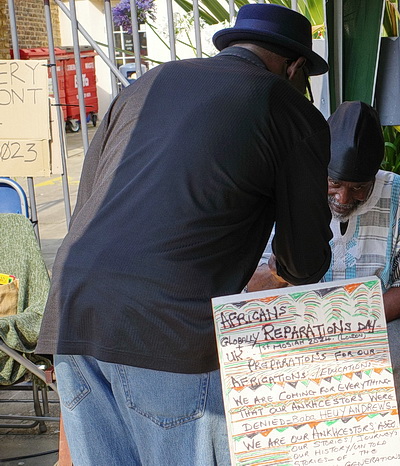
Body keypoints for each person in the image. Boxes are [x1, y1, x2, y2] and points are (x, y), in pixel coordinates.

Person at [35, 4, 333, 465]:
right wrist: (288, 272)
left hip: (75, 306)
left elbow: (90, 200)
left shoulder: (147, 83)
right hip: (167, 326)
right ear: (294, 67)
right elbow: (305, 253)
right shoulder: (284, 103)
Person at [247, 100, 400, 444]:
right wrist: (282, 271)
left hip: (378, 315)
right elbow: (248, 284)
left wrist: (350, 319)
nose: (343, 197)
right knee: (257, 364)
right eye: (334, 183)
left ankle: (377, 453)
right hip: (293, 318)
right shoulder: (285, 188)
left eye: (358, 188)